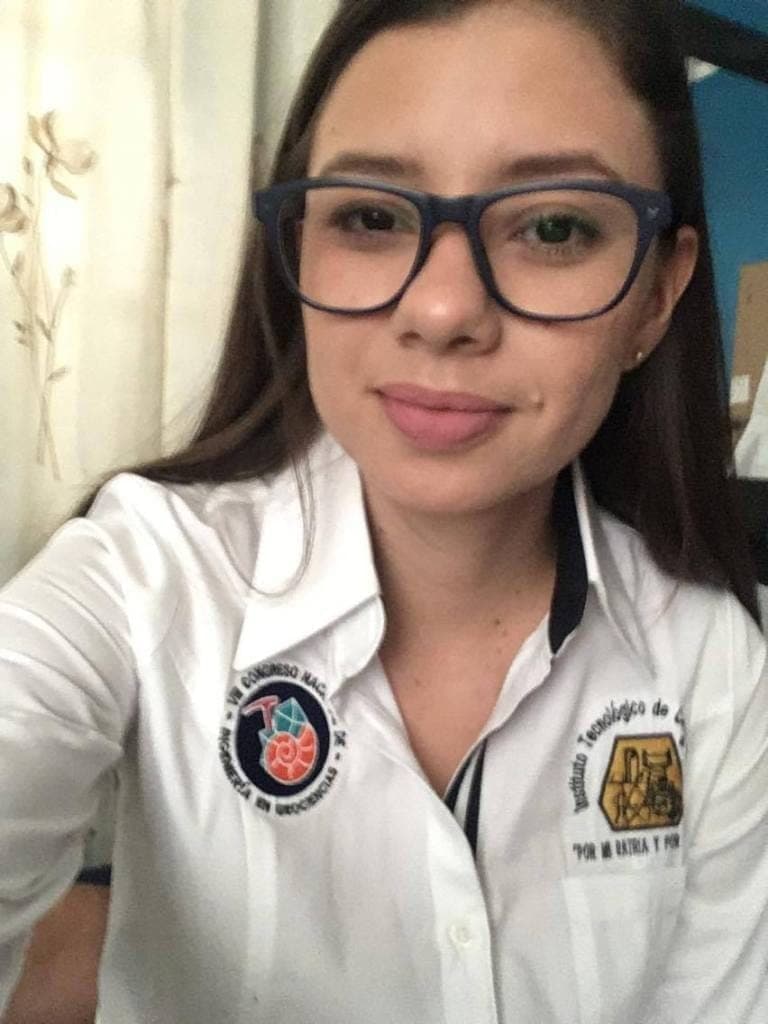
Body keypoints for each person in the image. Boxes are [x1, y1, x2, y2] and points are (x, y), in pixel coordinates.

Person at [2, 0, 767, 1021]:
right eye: (370, 217)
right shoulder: (141, 575)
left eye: (552, 226)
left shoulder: (713, 663)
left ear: (656, 297)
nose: (441, 310)